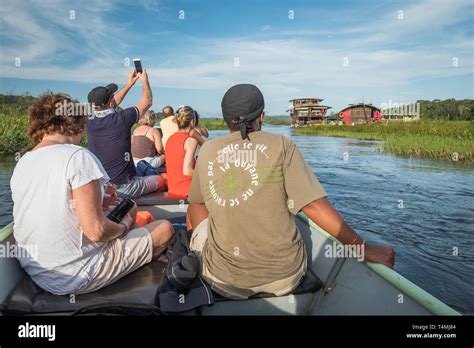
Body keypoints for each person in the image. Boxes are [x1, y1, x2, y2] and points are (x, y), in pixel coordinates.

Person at [186, 84, 395, 300]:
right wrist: (364, 248)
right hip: (286, 277)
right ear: (262, 116)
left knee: (195, 204)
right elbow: (313, 205)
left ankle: (198, 252)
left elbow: (197, 205)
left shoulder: (208, 150)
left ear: (225, 119)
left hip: (225, 282)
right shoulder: (282, 145)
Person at [10, 93, 174, 296]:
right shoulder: (77, 156)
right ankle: (130, 264)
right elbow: (96, 231)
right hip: (78, 275)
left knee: (128, 206)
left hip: (38, 272)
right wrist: (122, 229)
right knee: (165, 229)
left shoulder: (24, 161)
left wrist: (99, 200)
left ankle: (128, 250)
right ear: (74, 122)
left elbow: (53, 203)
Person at [86, 69, 165, 199]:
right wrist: (145, 81)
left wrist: (129, 84)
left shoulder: (89, 121)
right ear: (110, 103)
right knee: (160, 180)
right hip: (124, 188)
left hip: (102, 187)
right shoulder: (122, 119)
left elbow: (111, 103)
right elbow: (147, 102)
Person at [164, 106, 198, 198]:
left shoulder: (169, 139)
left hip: (173, 190)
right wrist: (204, 174)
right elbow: (187, 171)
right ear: (192, 122)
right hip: (187, 191)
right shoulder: (191, 141)